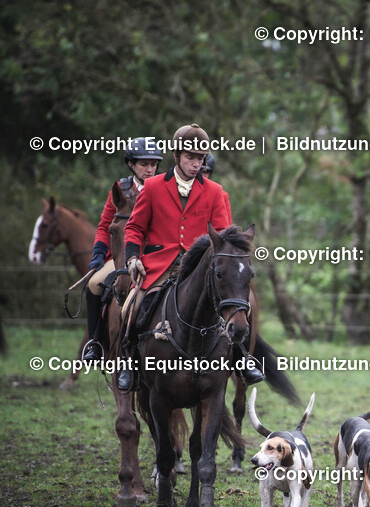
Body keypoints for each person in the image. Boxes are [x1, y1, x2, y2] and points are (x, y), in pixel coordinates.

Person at [116, 123, 263, 390]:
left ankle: (243, 358)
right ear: (177, 156)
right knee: (134, 305)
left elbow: (223, 235)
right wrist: (132, 258)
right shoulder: (152, 187)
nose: (196, 164)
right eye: (190, 158)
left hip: (200, 268)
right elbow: (134, 228)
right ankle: (128, 361)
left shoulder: (215, 191)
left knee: (241, 304)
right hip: (160, 266)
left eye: (201, 159)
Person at [82, 137, 163, 362]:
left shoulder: (164, 188)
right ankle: (96, 343)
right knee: (93, 284)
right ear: (131, 164)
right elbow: (105, 224)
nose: (149, 169)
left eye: (153, 164)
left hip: (155, 255)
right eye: (144, 164)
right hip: (121, 255)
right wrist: (99, 253)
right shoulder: (120, 189)